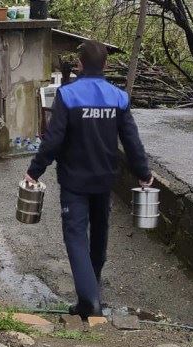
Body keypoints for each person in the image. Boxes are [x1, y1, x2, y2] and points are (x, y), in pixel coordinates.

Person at [25, 41, 153, 319]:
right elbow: (131, 141)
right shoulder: (118, 97)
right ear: (105, 65)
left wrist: (35, 170)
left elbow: (53, 140)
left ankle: (90, 304)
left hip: (74, 183)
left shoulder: (68, 95)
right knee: (99, 236)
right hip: (105, 180)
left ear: (80, 64)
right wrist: (144, 173)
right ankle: (89, 297)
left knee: (75, 238)